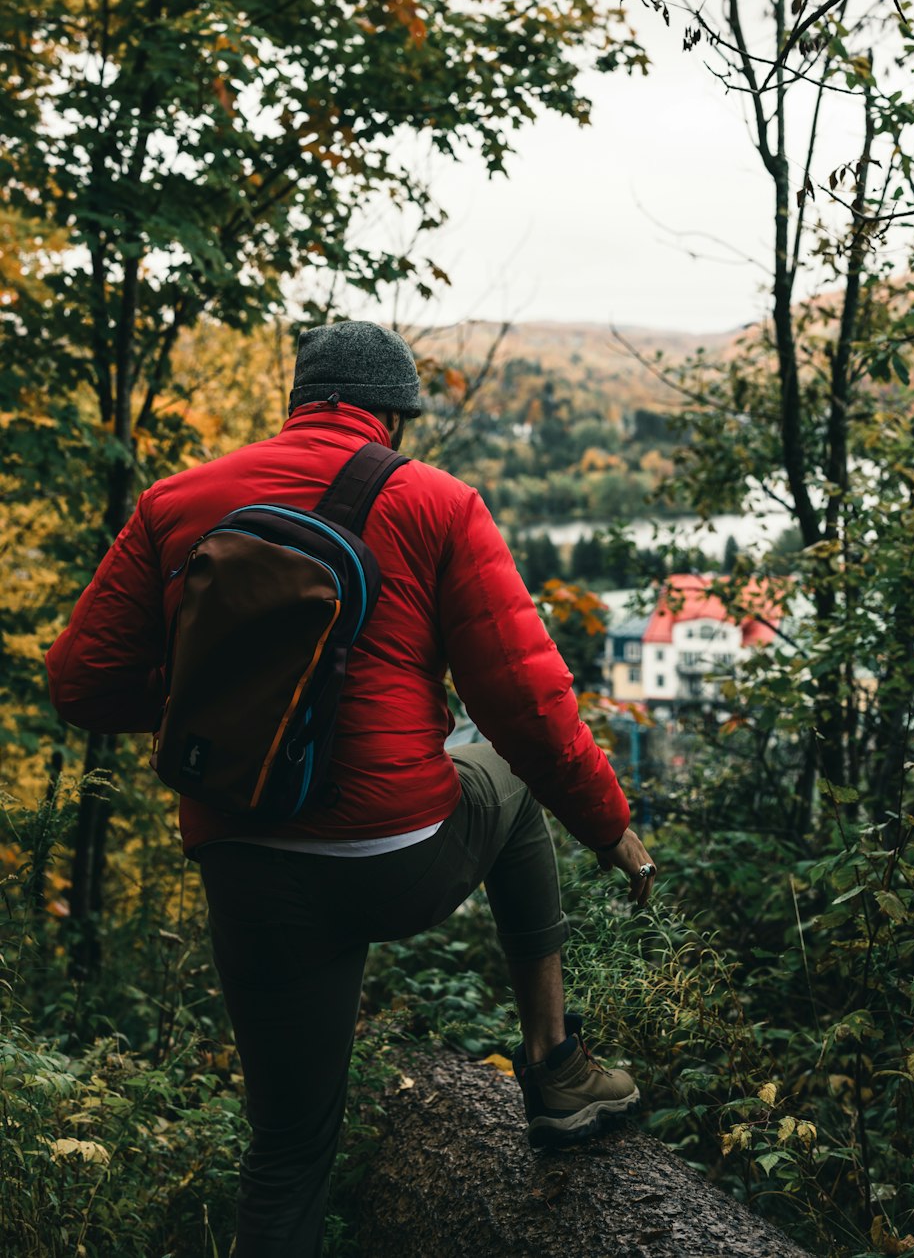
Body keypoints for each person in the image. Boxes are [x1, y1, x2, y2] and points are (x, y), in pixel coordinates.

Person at [46, 321, 656, 1258]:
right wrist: (608, 823)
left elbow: (80, 681)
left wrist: (231, 712)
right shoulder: (438, 504)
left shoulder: (178, 502)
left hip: (246, 866)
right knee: (512, 772)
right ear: (394, 419)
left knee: (287, 1152)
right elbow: (527, 704)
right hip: (395, 855)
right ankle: (555, 1066)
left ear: (298, 403)